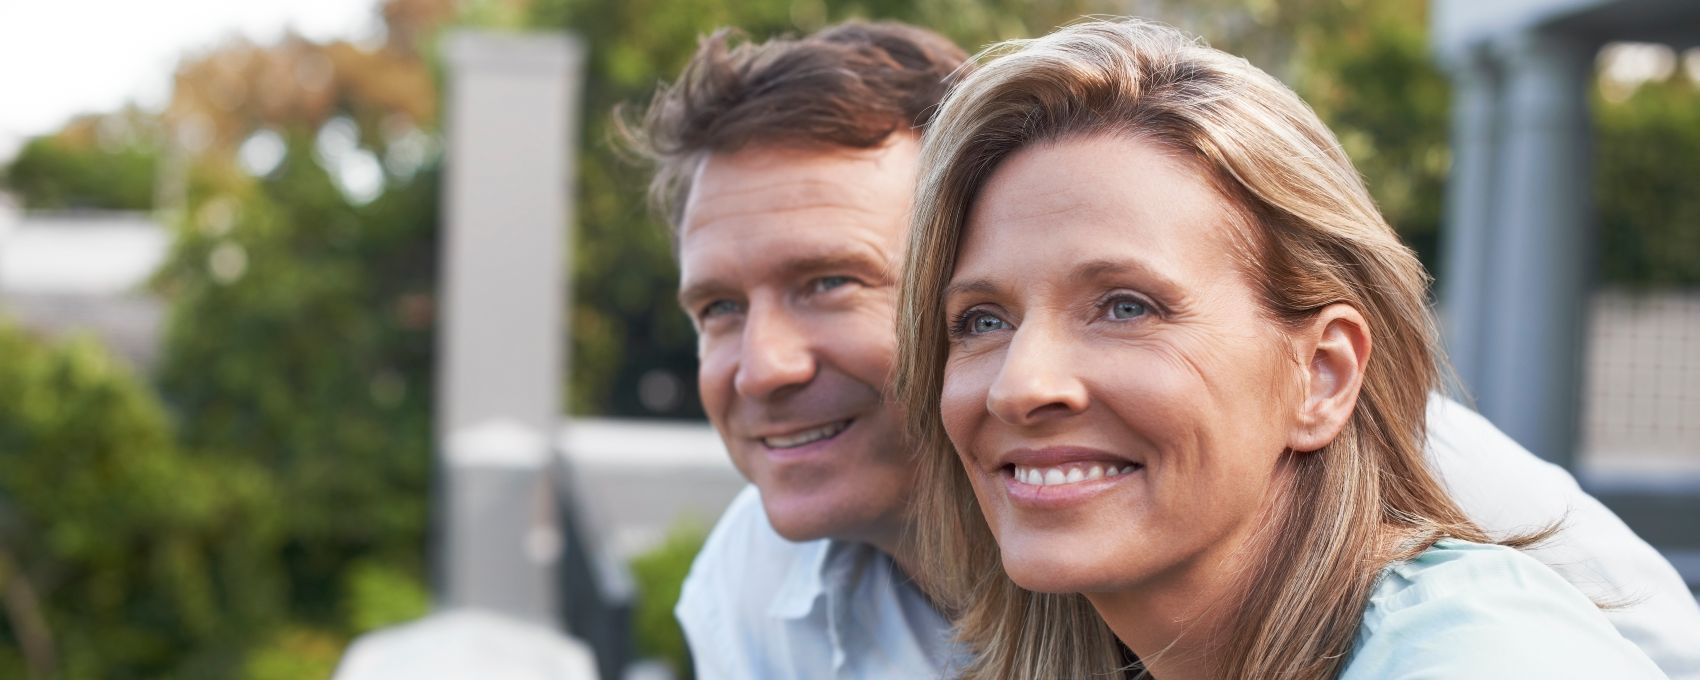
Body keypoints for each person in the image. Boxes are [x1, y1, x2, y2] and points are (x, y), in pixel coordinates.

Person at [622, 19, 1700, 680]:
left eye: (831, 282)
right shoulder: (752, 589)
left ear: (1323, 375)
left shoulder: (1444, 562)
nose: (762, 364)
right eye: (983, 318)